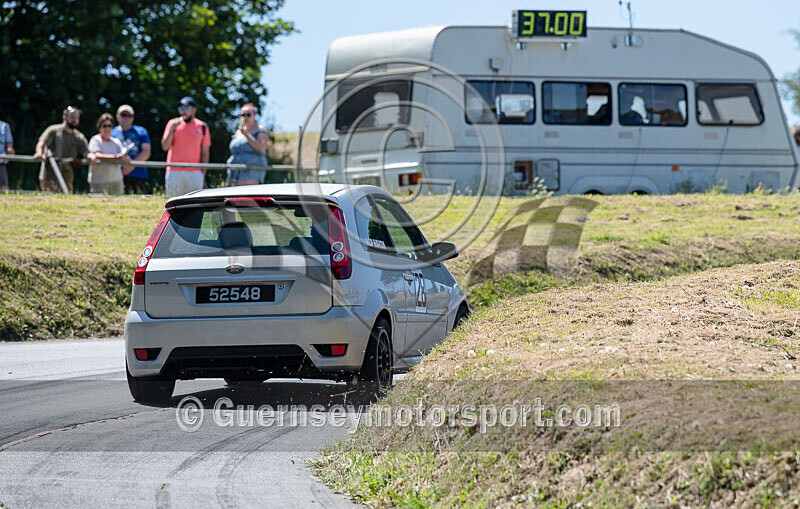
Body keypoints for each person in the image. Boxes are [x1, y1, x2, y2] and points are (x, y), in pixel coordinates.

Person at [161, 96, 210, 196]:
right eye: (180, 109)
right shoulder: (172, 123)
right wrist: (172, 129)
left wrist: (202, 172)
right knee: (172, 203)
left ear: (194, 110)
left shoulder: (202, 126)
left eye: (186, 108)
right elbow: (165, 146)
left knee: (194, 206)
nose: (183, 111)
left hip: (195, 172)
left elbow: (205, 152)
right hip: (174, 171)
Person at [33, 106, 89, 193]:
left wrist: (92, 156)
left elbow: (86, 152)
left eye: (77, 118)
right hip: (50, 175)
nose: (75, 120)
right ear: (64, 117)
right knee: (49, 200)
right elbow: (42, 143)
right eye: (72, 117)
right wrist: (39, 153)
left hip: (67, 176)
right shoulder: (53, 130)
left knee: (66, 201)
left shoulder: (79, 136)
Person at [226, 103, 270, 186]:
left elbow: (262, 148)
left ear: (254, 116)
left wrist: (247, 135)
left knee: (246, 197)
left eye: (248, 114)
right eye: (243, 115)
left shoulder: (260, 130)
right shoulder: (238, 132)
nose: (245, 117)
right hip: (235, 171)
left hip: (252, 170)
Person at [112, 104, 151, 194]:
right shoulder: (112, 132)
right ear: (117, 116)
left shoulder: (141, 131)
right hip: (117, 175)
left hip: (138, 175)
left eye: (129, 115)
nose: (126, 118)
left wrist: (131, 165)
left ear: (133, 118)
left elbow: (146, 152)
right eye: (123, 115)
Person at [87, 113, 128, 195]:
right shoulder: (95, 140)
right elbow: (97, 155)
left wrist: (124, 158)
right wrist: (116, 157)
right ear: (99, 127)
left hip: (116, 181)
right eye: (104, 126)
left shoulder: (116, 142)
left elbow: (123, 156)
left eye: (109, 126)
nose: (107, 128)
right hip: (99, 181)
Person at [0, 119, 14, 192]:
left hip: (1, 162)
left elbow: (9, 147)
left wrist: (10, 152)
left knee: (4, 187)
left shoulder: (4, 126)